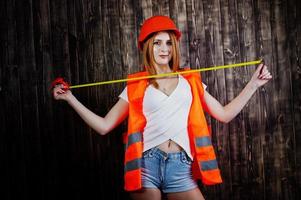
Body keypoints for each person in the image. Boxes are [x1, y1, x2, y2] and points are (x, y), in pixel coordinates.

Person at [52, 15, 272, 200]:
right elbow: (104, 126)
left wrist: (254, 84)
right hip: (146, 166)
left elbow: (224, 114)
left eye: (168, 43)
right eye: (157, 43)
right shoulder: (137, 85)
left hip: (180, 167)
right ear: (148, 46)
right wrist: (70, 98)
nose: (164, 49)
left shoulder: (190, 81)